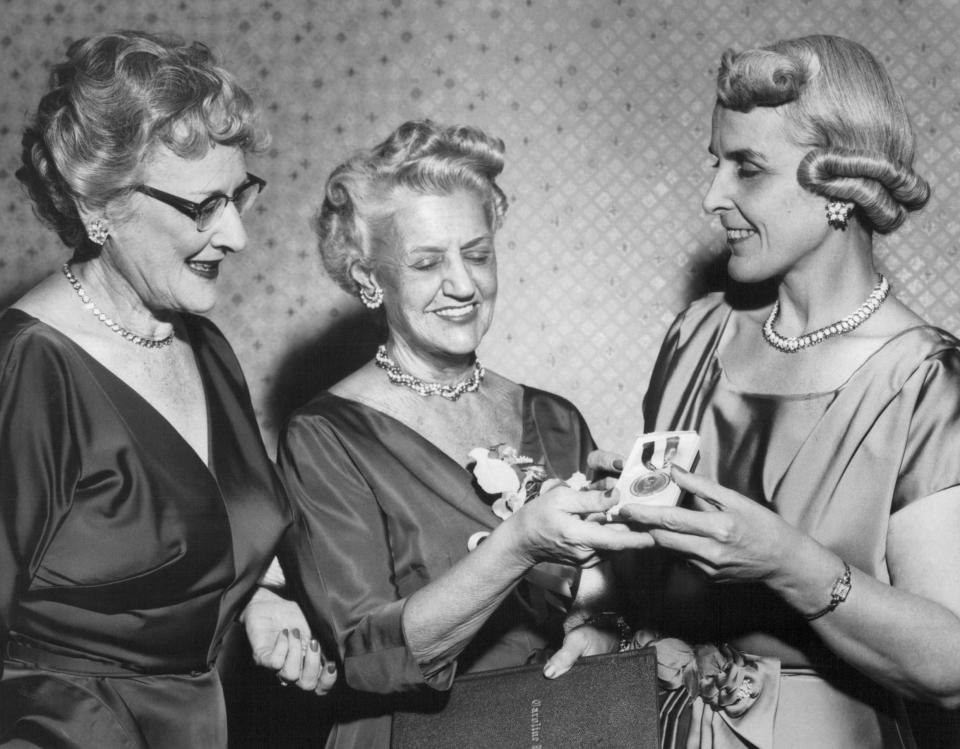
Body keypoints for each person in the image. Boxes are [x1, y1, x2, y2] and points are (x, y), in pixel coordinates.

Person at [600, 34, 960, 748]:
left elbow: (951, 666)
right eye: (716, 163)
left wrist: (787, 562)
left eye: (747, 169)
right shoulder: (697, 337)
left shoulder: (924, 379)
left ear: (835, 186)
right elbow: (648, 590)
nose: (712, 196)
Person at [269, 120, 653, 749]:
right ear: (371, 277)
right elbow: (369, 656)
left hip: (552, 726)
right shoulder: (325, 436)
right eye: (426, 262)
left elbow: (597, 593)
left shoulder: (554, 418)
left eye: (477, 254)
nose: (463, 284)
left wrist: (598, 621)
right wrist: (519, 544)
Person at [0, 30, 334, 749]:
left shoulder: (202, 343)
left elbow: (206, 538)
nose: (238, 234)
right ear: (104, 203)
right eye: (203, 205)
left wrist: (257, 602)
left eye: (240, 194)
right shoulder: (29, 369)